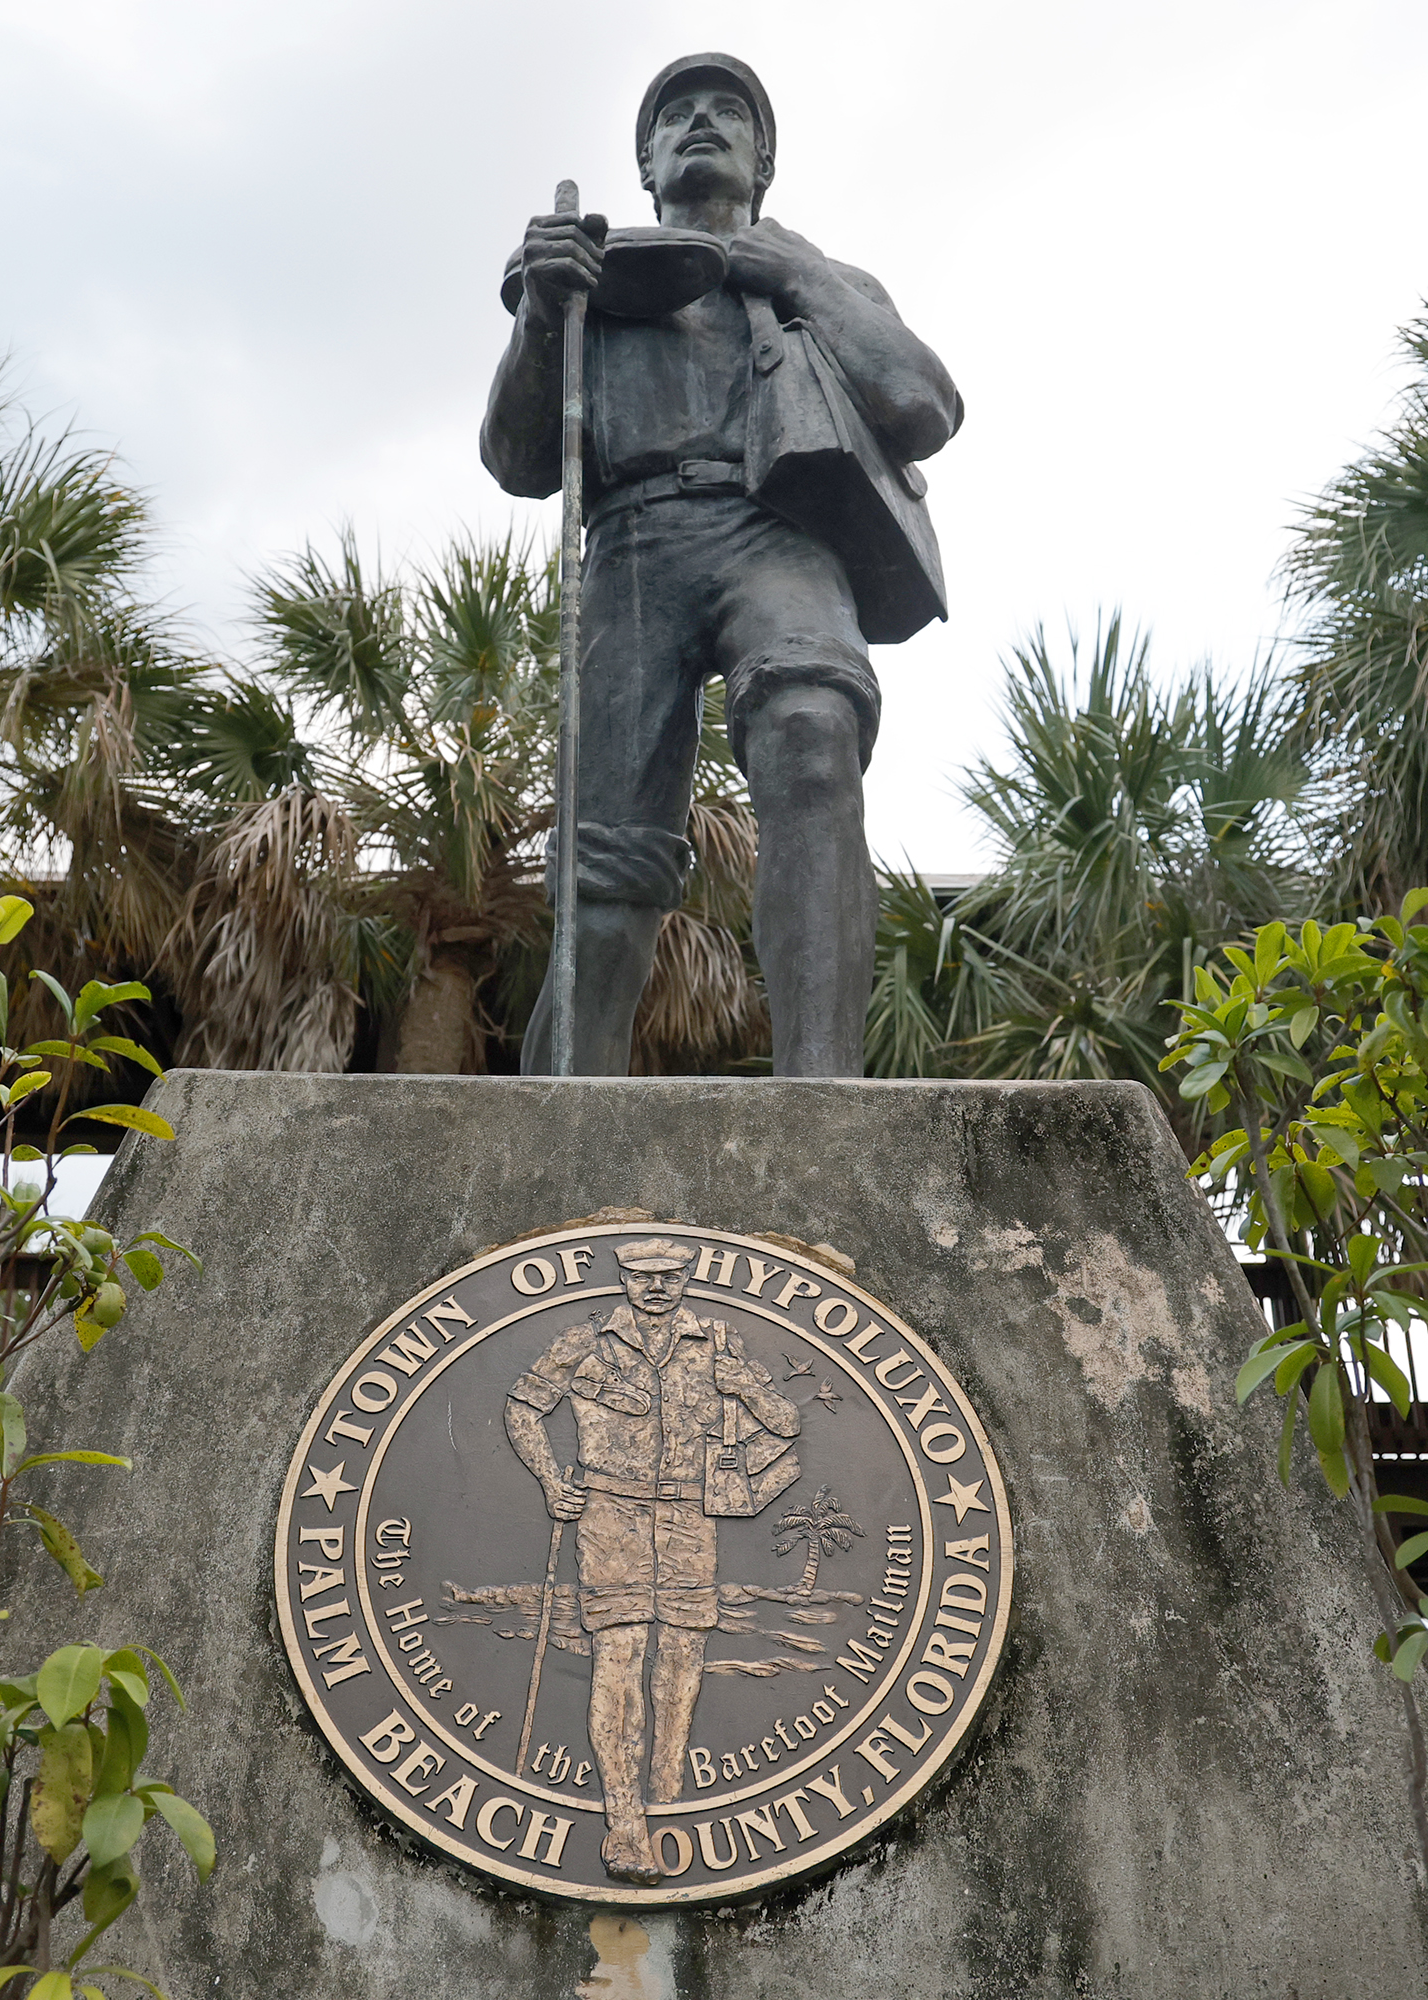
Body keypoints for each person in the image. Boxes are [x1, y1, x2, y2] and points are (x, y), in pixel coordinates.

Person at [482, 52, 961, 1077]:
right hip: (636, 540)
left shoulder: (818, 281)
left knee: (811, 732)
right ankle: (562, 1114)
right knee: (609, 865)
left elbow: (925, 406)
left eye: (727, 112)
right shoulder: (599, 279)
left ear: (764, 158)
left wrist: (798, 279)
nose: (702, 124)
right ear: (646, 163)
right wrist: (541, 311)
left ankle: (822, 1094)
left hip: (778, 529)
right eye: (676, 117)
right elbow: (517, 459)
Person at [503, 1237, 801, 1883]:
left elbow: (785, 1424)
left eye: (670, 1274)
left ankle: (667, 1789)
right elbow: (522, 1408)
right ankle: (625, 1822)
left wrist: (745, 1383)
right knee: (620, 1651)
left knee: (683, 1655)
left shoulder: (721, 1341)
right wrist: (553, 1481)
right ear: (624, 1277)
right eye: (641, 1275)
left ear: (688, 1275)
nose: (656, 1286)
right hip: (610, 1517)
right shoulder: (582, 1341)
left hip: (692, 1517)